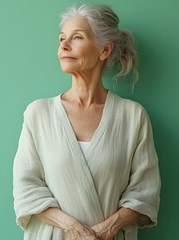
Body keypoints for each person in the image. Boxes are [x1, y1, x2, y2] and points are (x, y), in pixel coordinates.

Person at [13, 4, 161, 240]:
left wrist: (106, 229)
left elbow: (145, 191)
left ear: (104, 50)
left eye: (77, 37)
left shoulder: (132, 116)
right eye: (62, 38)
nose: (64, 45)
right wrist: (72, 228)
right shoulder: (38, 114)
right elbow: (26, 189)